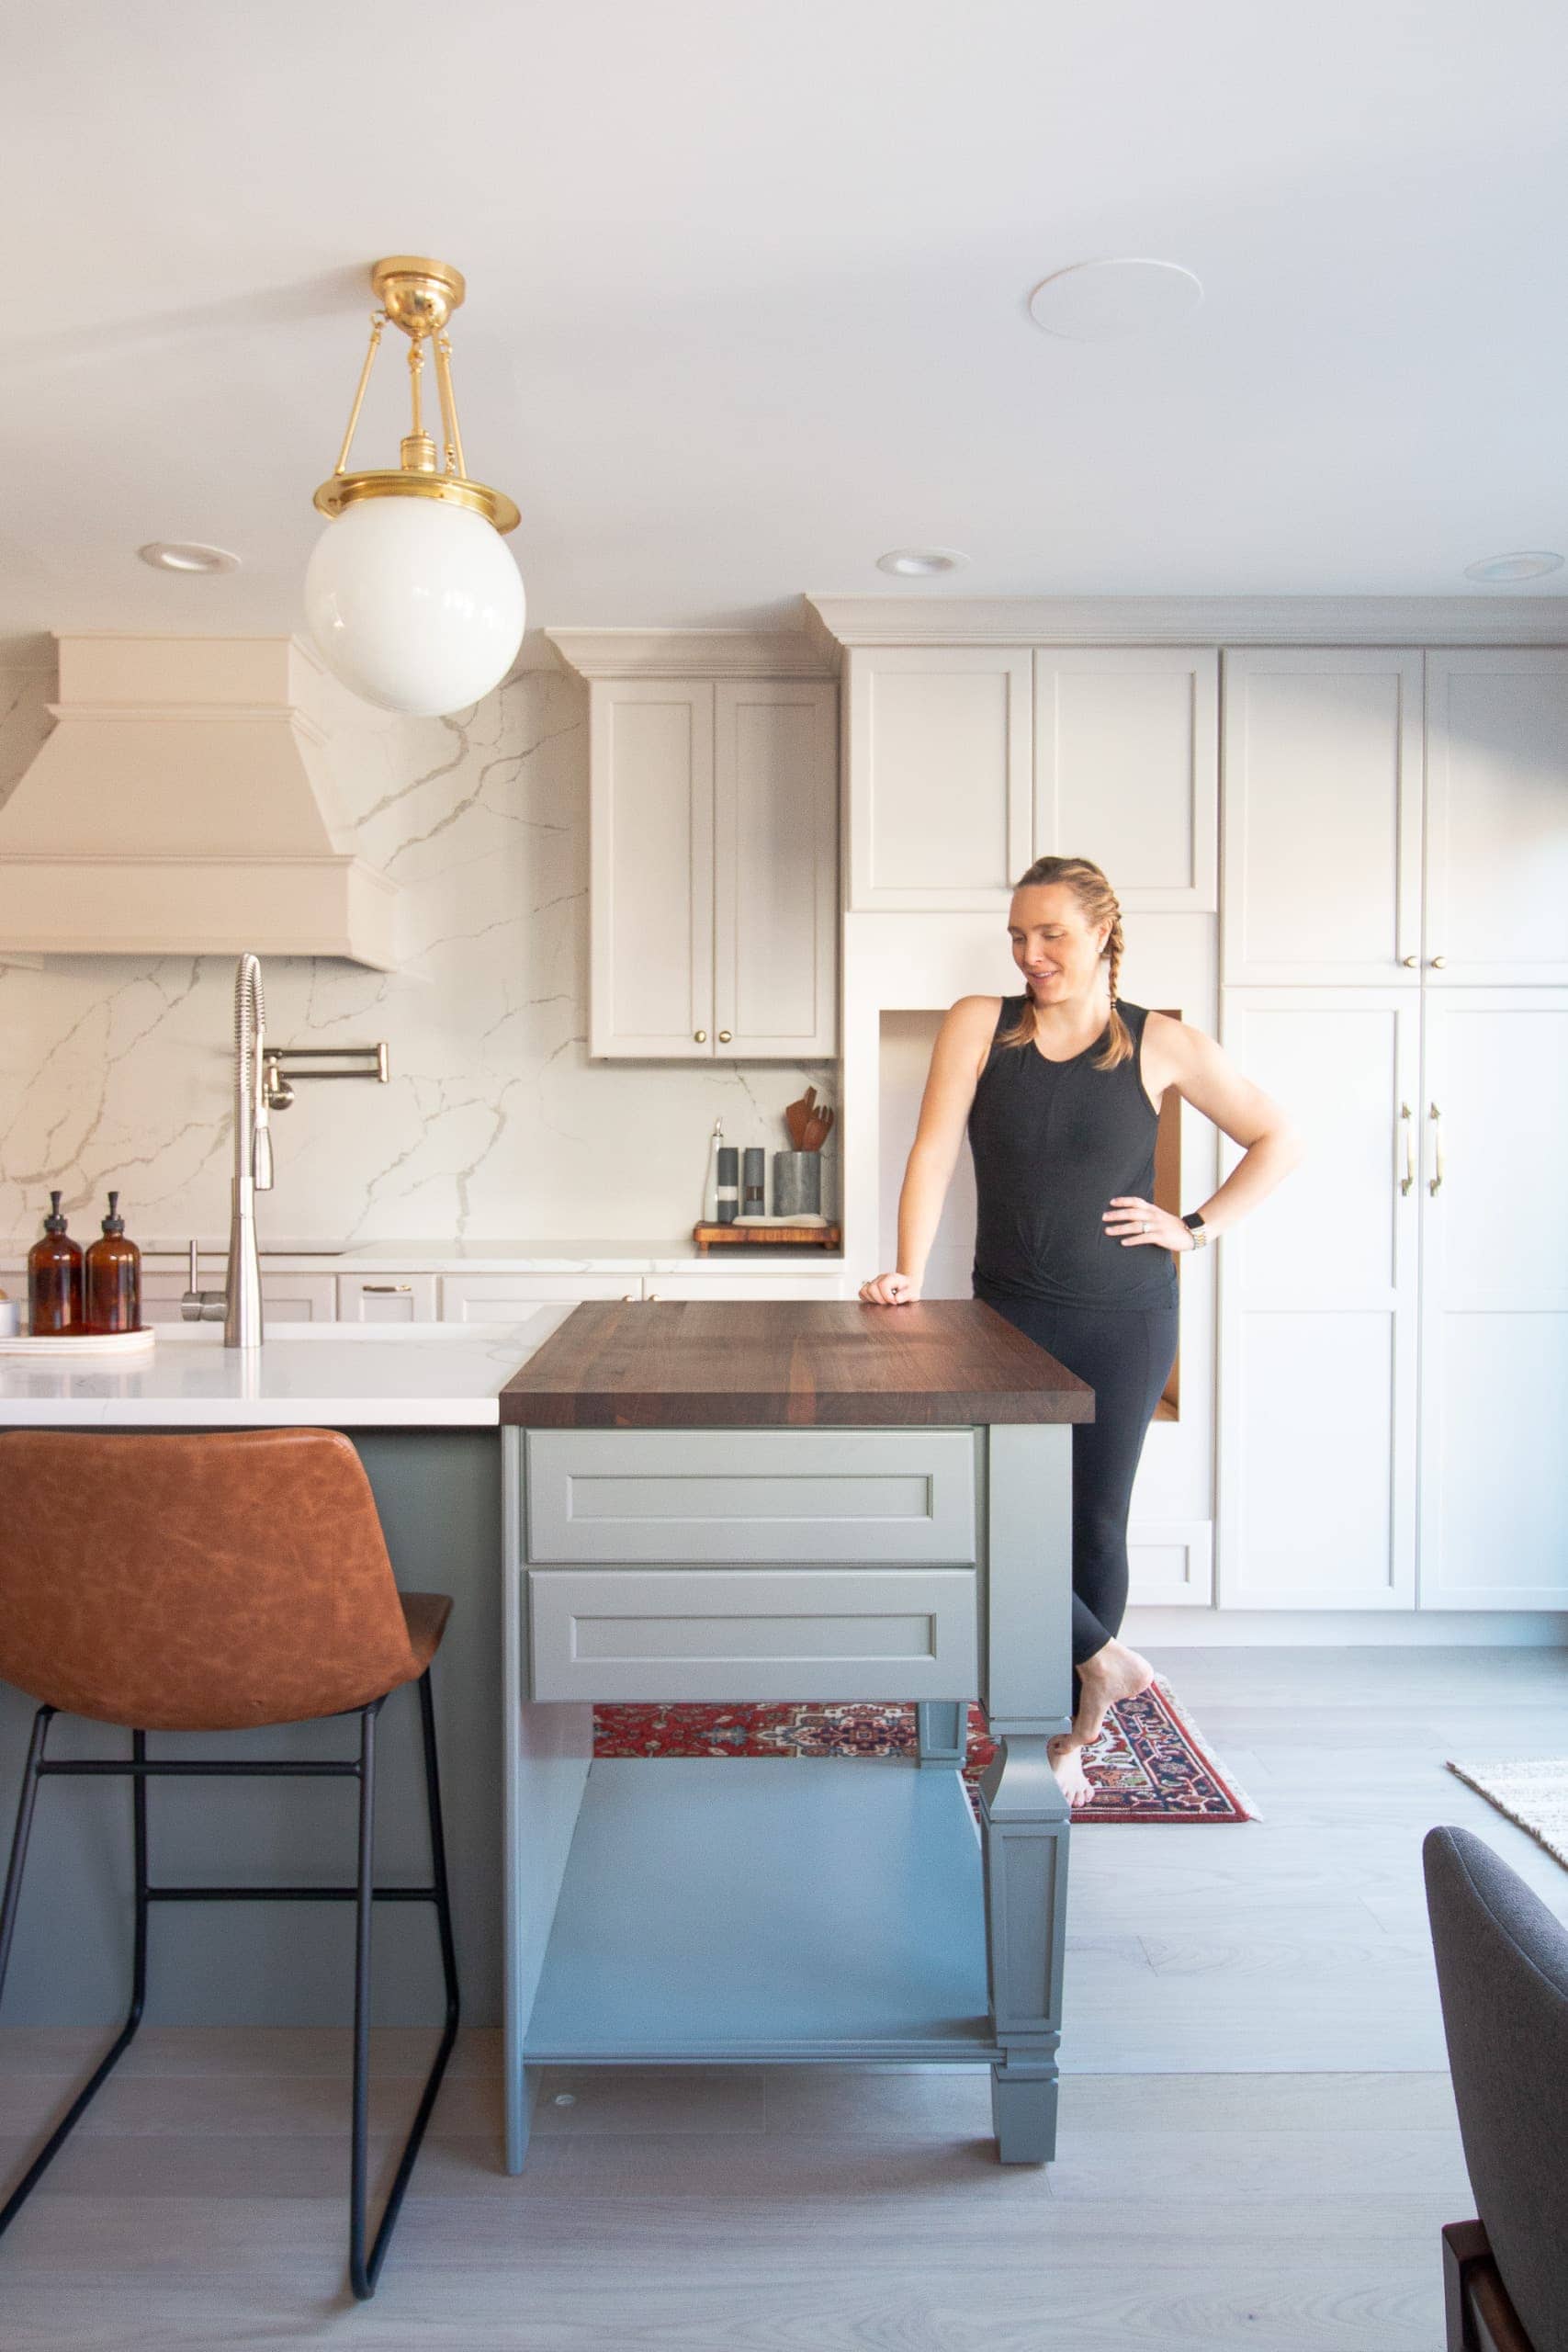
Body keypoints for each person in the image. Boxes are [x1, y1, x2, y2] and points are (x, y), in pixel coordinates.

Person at [859, 854, 1302, 1808]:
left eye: (1049, 933)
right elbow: (934, 1148)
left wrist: (1192, 1226)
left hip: (1126, 1316)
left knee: (1092, 1522)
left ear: (1102, 931)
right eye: (1018, 935)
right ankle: (1103, 1658)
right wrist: (905, 1263)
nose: (1030, 953)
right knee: (980, 1512)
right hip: (1006, 1313)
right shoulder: (981, 1022)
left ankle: (1066, 1742)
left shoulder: (1164, 1043)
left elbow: (1278, 1136)